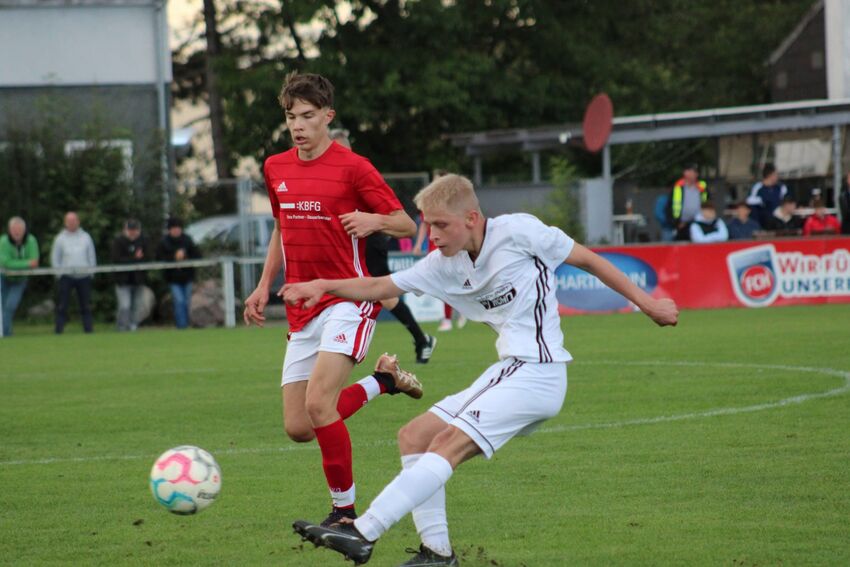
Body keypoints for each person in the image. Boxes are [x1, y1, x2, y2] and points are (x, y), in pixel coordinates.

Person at [284, 174, 679, 566]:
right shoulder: (442, 264)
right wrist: (322, 285)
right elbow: (378, 287)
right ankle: (437, 553)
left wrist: (648, 304)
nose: (432, 235)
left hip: (539, 372)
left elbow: (588, 259)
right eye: (428, 225)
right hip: (510, 370)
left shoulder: (520, 232)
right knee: (415, 436)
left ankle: (363, 531)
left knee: (446, 444)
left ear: (471, 218)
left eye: (441, 224)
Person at [242, 72, 420, 528]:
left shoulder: (354, 167)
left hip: (348, 298)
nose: (297, 126)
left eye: (307, 116)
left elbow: (406, 224)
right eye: (290, 117)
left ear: (327, 116)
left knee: (320, 403)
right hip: (302, 307)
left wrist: (373, 220)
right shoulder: (275, 167)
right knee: (299, 427)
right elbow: (281, 228)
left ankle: (345, 515)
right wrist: (263, 285)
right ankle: (383, 382)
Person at [329, 128, 437, 363]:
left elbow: (396, 216)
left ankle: (421, 340)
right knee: (350, 293)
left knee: (381, 294)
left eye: (337, 148)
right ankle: (421, 339)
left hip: (370, 243)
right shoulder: (331, 175)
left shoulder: (360, 172)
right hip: (348, 244)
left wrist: (375, 223)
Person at [51, 211, 96, 334]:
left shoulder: (86, 237)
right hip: (66, 276)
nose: (72, 223)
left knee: (86, 306)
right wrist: (59, 274)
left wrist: (91, 272)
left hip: (84, 276)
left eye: (74, 220)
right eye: (69, 221)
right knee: (62, 305)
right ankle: (58, 331)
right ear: (65, 223)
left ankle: (89, 331)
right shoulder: (60, 238)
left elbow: (91, 256)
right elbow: (55, 258)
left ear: (78, 222)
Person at [156, 217, 201, 329]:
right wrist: (174, 256)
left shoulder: (187, 240)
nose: (176, 230)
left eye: (178, 228)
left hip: (187, 277)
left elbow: (197, 254)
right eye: (174, 228)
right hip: (173, 278)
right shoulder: (164, 242)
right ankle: (181, 326)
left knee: (187, 301)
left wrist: (185, 255)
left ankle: (187, 323)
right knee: (179, 301)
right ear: (169, 230)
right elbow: (159, 257)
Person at [0, 216, 39, 336]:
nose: (17, 232)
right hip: (3, 278)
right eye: (14, 229)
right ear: (9, 230)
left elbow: (35, 262)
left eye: (19, 230)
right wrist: (26, 263)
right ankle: (6, 332)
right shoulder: (3, 241)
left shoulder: (31, 240)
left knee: (10, 306)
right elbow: (5, 263)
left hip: (21, 279)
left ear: (24, 230)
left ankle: (6, 333)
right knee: (2, 306)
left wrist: (14, 264)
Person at [110, 219, 148, 331]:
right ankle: (122, 327)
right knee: (125, 305)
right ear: (125, 230)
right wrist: (134, 258)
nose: (132, 232)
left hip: (138, 279)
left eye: (135, 229)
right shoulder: (118, 241)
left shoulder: (144, 241)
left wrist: (139, 258)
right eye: (130, 229)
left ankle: (133, 326)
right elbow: (116, 259)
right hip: (122, 280)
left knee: (137, 305)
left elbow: (149, 257)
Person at [667, 163, 708, 241]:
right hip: (682, 225)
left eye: (694, 172)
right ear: (684, 173)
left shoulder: (702, 187)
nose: (691, 174)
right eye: (689, 171)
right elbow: (669, 206)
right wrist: (675, 223)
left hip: (699, 223)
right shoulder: (678, 187)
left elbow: (707, 203)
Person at [746, 163, 789, 228]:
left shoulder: (781, 187)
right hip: (762, 222)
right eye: (775, 174)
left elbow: (786, 201)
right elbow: (749, 201)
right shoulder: (757, 187)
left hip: (778, 222)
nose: (777, 176)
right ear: (769, 175)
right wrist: (762, 200)